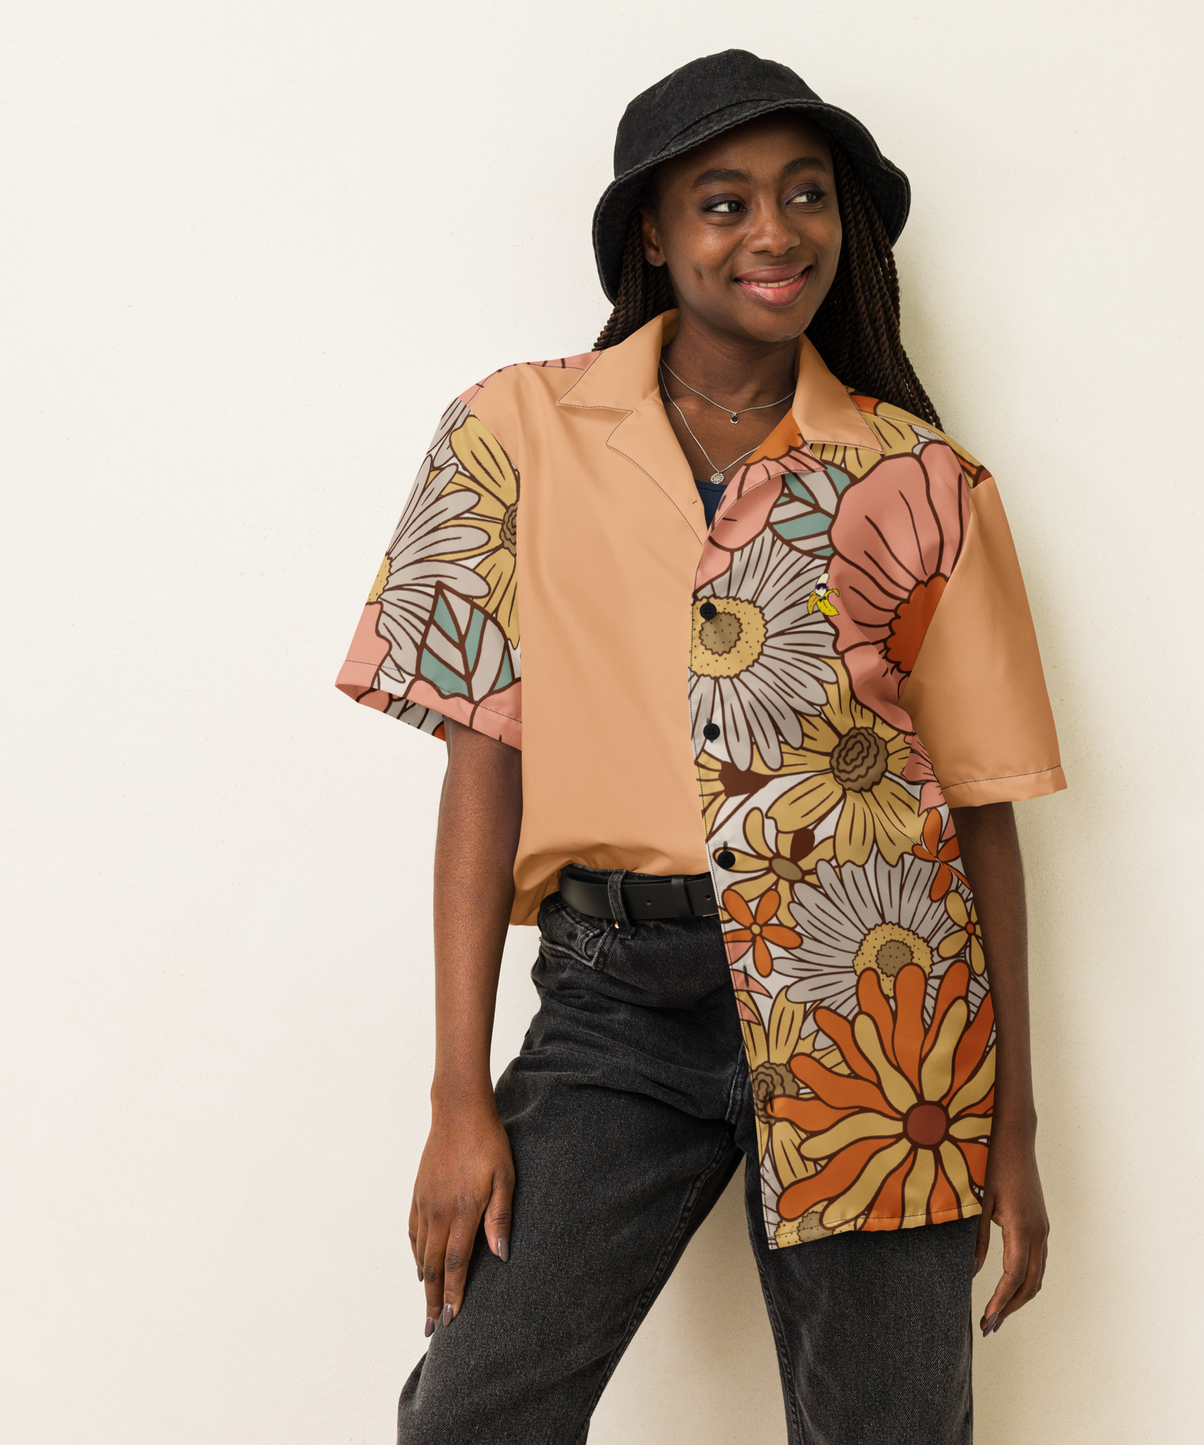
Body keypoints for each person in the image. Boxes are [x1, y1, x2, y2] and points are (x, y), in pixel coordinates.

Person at [336, 48, 1066, 1445]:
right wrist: (456, 1096)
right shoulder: (513, 432)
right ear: (655, 239)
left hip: (877, 1008)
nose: (774, 231)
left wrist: (1012, 1127)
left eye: (806, 194)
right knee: (472, 1415)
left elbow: (981, 813)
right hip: (616, 1001)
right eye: (723, 202)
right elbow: (481, 769)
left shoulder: (920, 477)